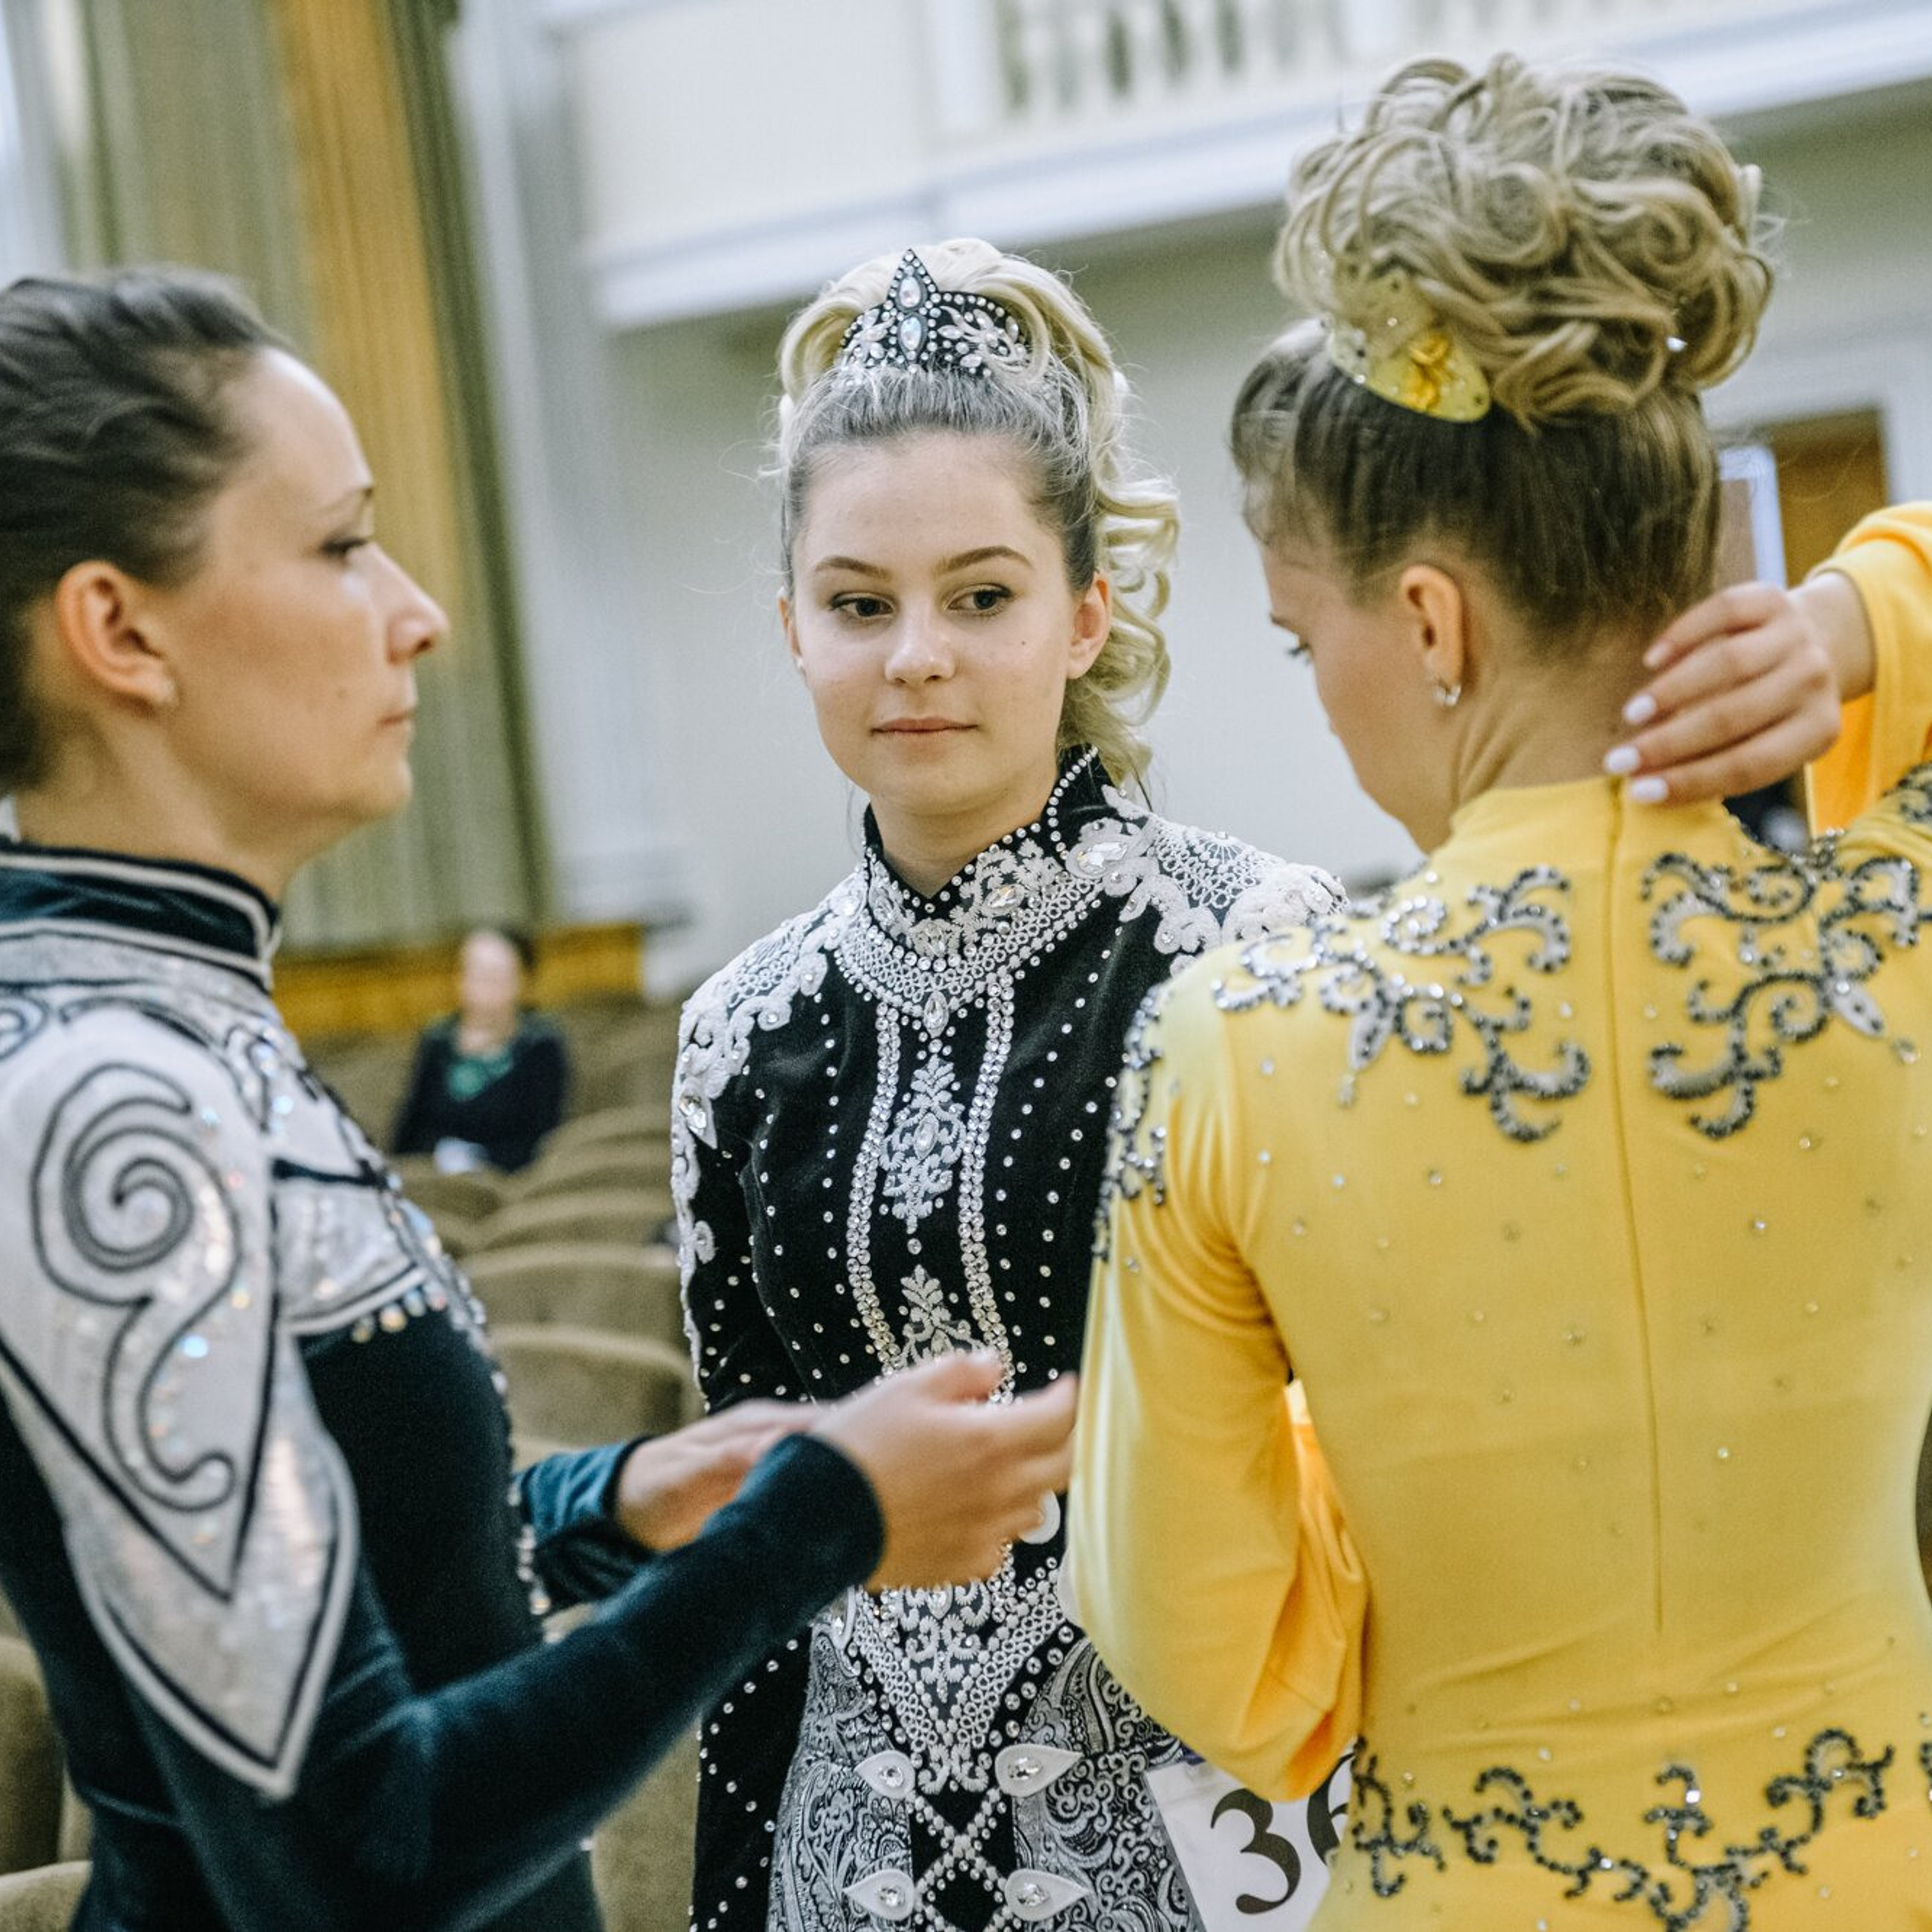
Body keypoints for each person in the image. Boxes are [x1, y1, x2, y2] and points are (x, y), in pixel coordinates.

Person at [669, 238, 1838, 1932]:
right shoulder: (736, 1025)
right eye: (859, 602)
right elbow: (745, 1546)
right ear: (792, 627)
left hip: (1213, 1829)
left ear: (1086, 611)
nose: (914, 652)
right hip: (842, 1862)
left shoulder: (1256, 943)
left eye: (980, 595)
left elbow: (1407, 1471)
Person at [0, 266, 1078, 1932]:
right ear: (119, 629)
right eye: (344, 543)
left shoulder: (165, 1026)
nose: (416, 609)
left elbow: (311, 1576)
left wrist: (611, 1503)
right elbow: (353, 1848)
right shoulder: (100, 1100)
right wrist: (815, 1525)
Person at [1069, 52, 1932, 1927]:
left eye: (1309, 641)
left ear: (1434, 626)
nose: (1322, 689)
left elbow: (1212, 1656)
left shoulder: (1231, 1042)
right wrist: (1864, 623)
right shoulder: (1904, 932)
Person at [392, 924, 568, 1173]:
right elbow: (407, 1135)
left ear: (524, 982)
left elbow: (540, 1143)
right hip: (435, 1178)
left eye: (495, 975)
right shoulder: (437, 1040)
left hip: (506, 1185)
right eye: (474, 972)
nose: (481, 985)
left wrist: (477, 1161)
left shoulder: (540, 1046)